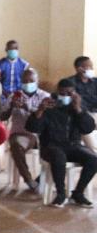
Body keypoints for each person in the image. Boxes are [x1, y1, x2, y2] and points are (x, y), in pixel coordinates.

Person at [27, 79, 97, 207]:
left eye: (69, 93)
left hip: (73, 145)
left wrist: (78, 110)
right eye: (62, 93)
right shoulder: (48, 105)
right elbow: (33, 128)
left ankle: (78, 193)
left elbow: (88, 128)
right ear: (57, 92)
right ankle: (60, 193)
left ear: (74, 93)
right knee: (59, 156)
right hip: (50, 146)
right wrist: (40, 110)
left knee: (93, 159)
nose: (65, 96)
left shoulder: (78, 106)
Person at [1, 69, 49, 192]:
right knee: (16, 145)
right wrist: (11, 106)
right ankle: (28, 179)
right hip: (22, 133)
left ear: (37, 81)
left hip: (41, 135)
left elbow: (47, 118)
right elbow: (3, 117)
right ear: (21, 82)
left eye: (31, 81)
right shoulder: (14, 96)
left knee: (57, 150)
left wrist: (27, 108)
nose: (28, 83)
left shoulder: (45, 97)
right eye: (25, 81)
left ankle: (40, 179)